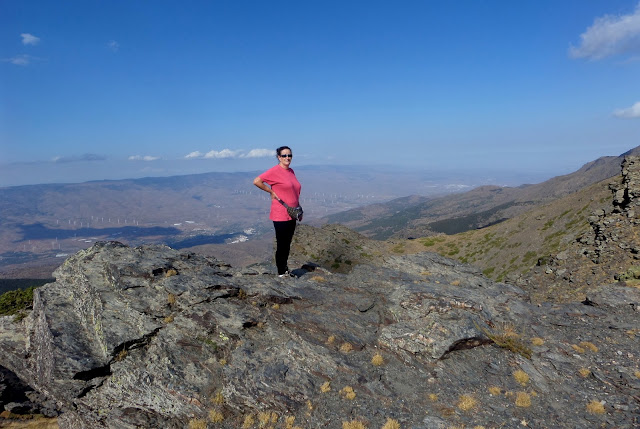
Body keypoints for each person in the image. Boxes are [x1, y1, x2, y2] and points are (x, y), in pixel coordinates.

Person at [253, 146, 301, 277]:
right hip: (280, 213)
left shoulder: (291, 171)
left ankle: (285, 269)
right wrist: (271, 191)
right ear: (279, 157)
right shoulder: (275, 171)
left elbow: (294, 191)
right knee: (282, 244)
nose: (287, 158)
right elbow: (257, 181)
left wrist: (298, 207)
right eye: (284, 155)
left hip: (292, 213)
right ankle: (281, 273)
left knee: (287, 243)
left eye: (289, 155)